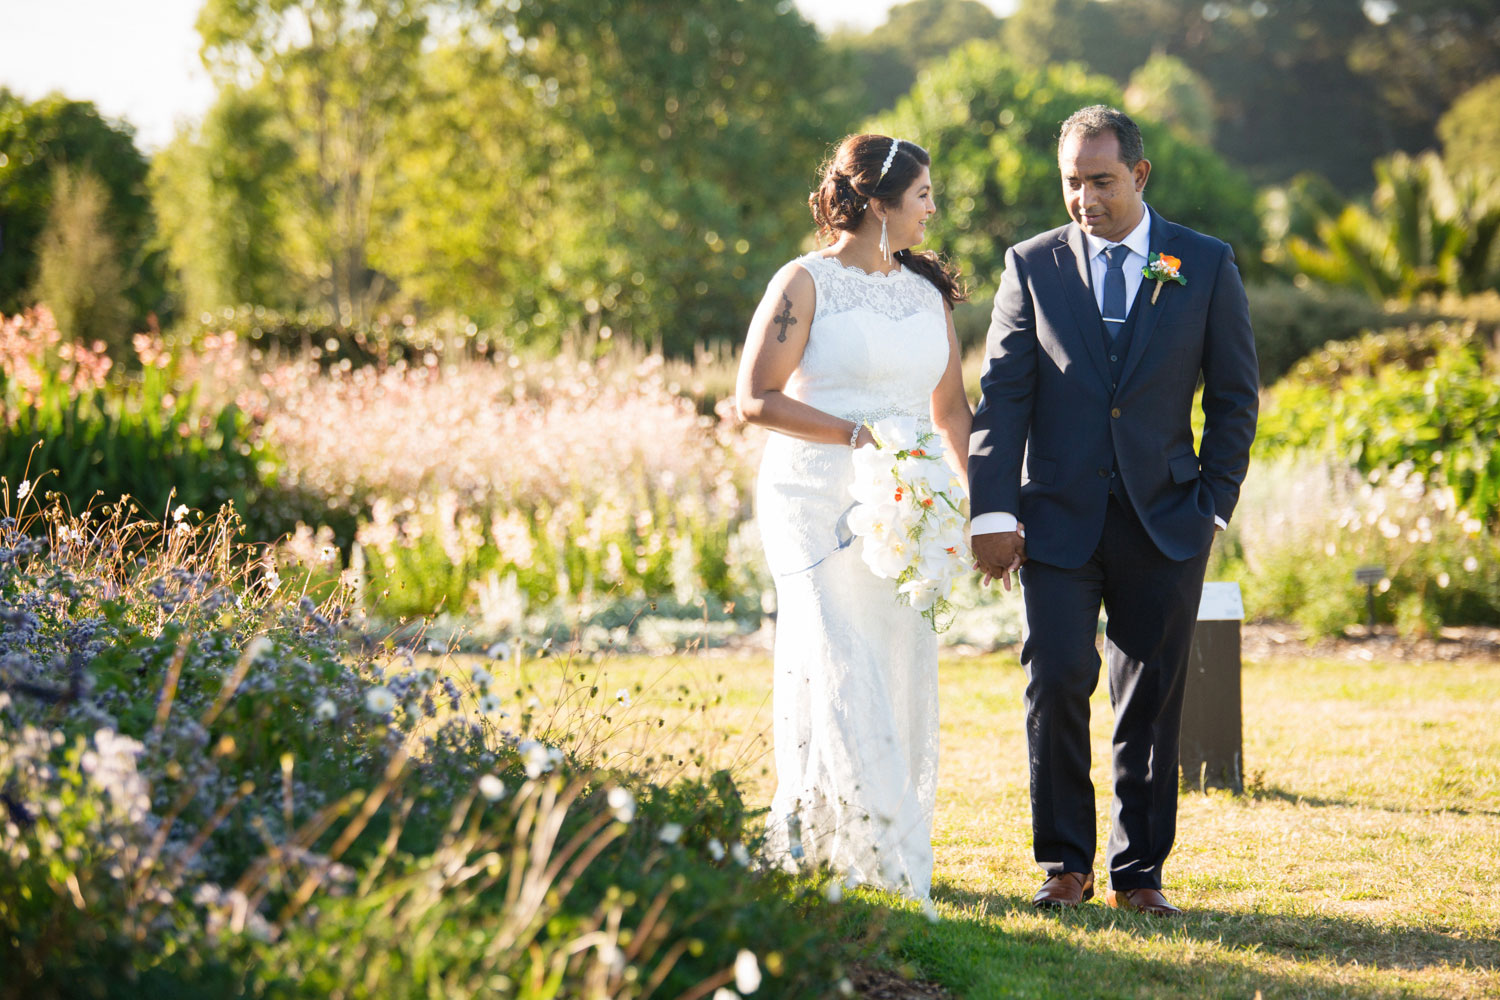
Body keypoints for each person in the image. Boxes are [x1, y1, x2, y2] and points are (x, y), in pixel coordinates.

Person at [968, 106, 1259, 916]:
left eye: (1100, 180)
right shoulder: (1031, 266)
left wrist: (1214, 505)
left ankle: (1139, 876)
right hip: (1057, 516)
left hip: (1167, 518)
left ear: (1140, 175)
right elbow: (1002, 402)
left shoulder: (1202, 262)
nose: (1084, 198)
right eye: (1071, 181)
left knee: (1149, 699)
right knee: (1055, 678)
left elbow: (1235, 398)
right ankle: (1066, 864)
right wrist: (991, 511)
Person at [735, 134, 971, 900]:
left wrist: (978, 507)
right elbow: (755, 397)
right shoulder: (804, 284)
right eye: (923, 195)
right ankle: (858, 850)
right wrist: (854, 435)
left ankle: (865, 841)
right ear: (878, 203)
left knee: (894, 664)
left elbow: (952, 413)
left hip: (910, 509)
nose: (933, 208)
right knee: (838, 659)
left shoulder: (926, 293)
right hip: (814, 501)